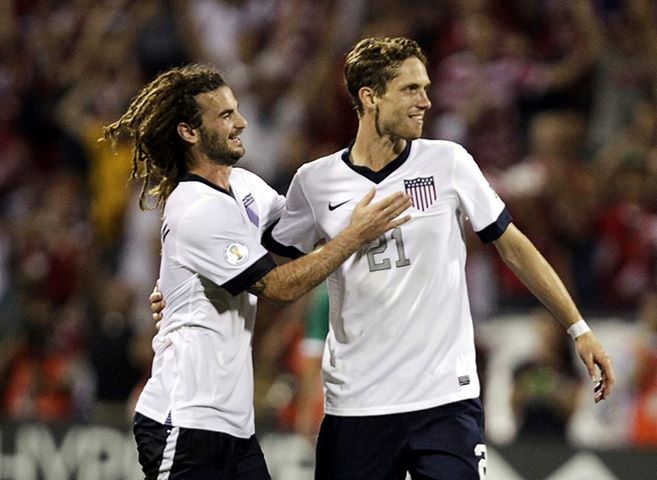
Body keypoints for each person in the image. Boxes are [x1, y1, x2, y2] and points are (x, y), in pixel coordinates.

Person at [152, 38, 616, 479]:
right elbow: (270, 270)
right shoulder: (316, 182)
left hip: (445, 401)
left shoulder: (448, 162)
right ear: (370, 97)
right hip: (357, 407)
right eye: (411, 89)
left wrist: (578, 327)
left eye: (426, 88)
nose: (426, 101)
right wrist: (181, 287)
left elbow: (513, 245)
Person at [104, 64, 411, 480]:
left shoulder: (245, 186)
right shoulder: (196, 209)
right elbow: (279, 286)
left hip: (232, 426)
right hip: (185, 419)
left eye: (236, 111)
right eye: (225, 115)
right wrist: (354, 236)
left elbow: (301, 235)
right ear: (188, 132)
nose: (241, 123)